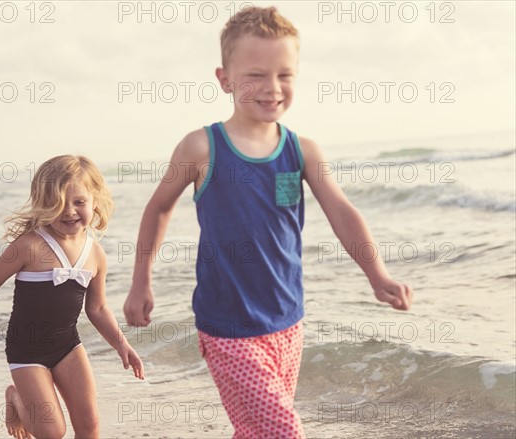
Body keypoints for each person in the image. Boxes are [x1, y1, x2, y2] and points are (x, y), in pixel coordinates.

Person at [124, 6, 412, 439]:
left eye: (285, 74)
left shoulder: (302, 151)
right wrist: (141, 280)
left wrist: (377, 274)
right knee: (283, 430)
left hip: (288, 319)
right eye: (255, 74)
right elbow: (159, 207)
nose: (272, 88)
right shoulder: (202, 147)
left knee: (256, 430)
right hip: (227, 326)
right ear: (224, 79)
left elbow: (342, 213)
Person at [0, 155, 144, 439]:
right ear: (42, 204)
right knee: (52, 432)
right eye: (57, 204)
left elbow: (97, 308)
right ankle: (16, 398)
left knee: (90, 426)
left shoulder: (95, 254)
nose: (69, 211)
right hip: (27, 350)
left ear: (94, 201)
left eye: (79, 202)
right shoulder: (30, 245)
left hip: (68, 346)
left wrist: (122, 345)